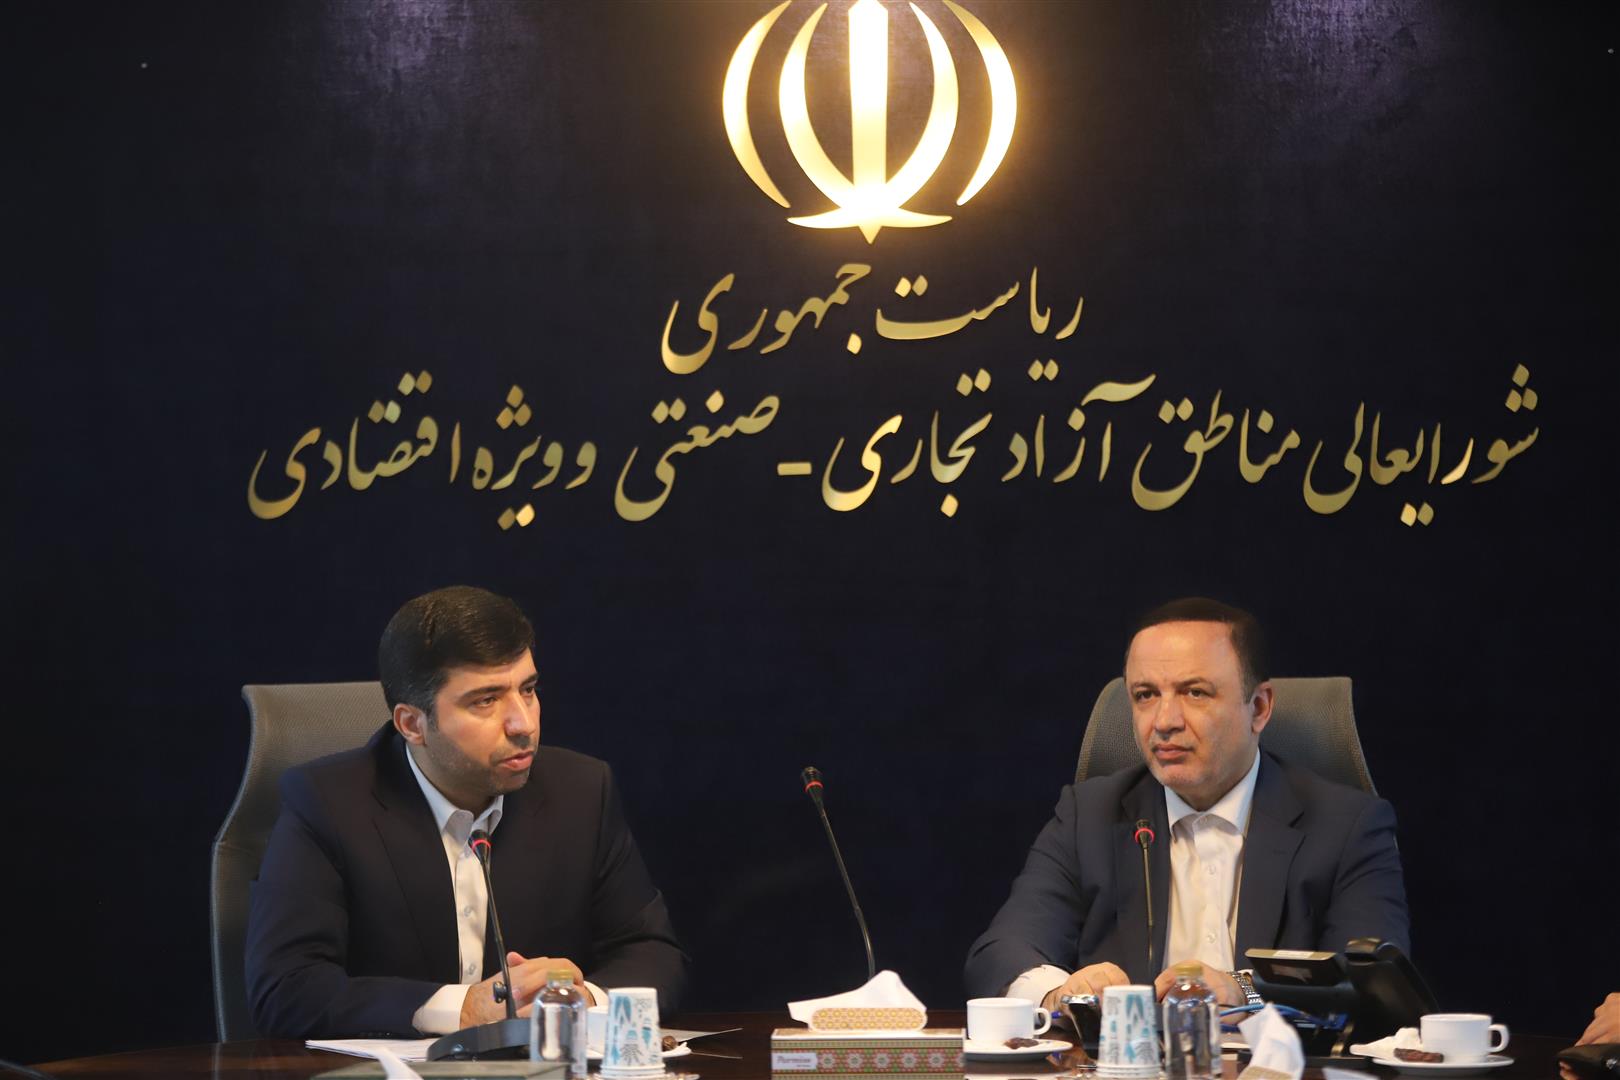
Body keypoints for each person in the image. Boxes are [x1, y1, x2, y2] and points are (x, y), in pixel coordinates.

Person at [246, 585, 688, 1038]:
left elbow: (652, 953)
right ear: (412, 724)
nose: (523, 723)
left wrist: (580, 1000)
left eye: (528, 690)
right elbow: (285, 989)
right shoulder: (327, 802)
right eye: (486, 700)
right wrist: (463, 1008)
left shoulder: (582, 792)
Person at [965, 598, 1409, 1011]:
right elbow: (1001, 953)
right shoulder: (1089, 816)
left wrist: (1245, 990)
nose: (1164, 721)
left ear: (1258, 707)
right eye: (1145, 695)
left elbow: (1372, 984)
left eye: (1195, 692)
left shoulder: (1346, 826)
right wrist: (1057, 994)